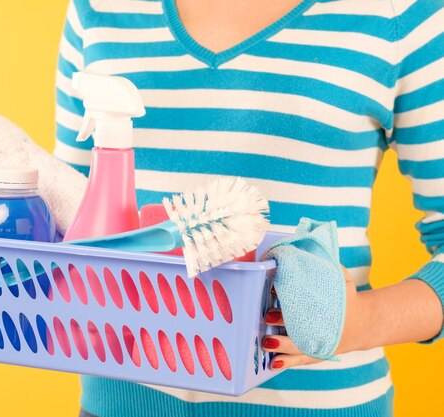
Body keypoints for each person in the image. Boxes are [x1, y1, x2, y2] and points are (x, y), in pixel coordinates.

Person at [52, 0, 444, 415]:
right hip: (119, 400)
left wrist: (362, 321)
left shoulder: (401, 15)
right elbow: (69, 209)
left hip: (318, 404)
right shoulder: (97, 9)